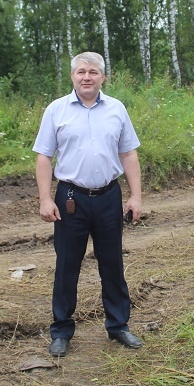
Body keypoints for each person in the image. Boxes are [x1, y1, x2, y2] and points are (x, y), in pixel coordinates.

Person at [33, 51, 144, 357]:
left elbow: (129, 154)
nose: (86, 77)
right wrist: (44, 199)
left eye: (93, 72)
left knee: (112, 264)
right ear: (72, 76)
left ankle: (118, 326)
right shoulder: (56, 110)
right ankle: (61, 331)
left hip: (109, 197)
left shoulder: (117, 109)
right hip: (70, 199)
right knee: (67, 266)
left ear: (102, 77)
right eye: (81, 71)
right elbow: (44, 156)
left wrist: (135, 196)